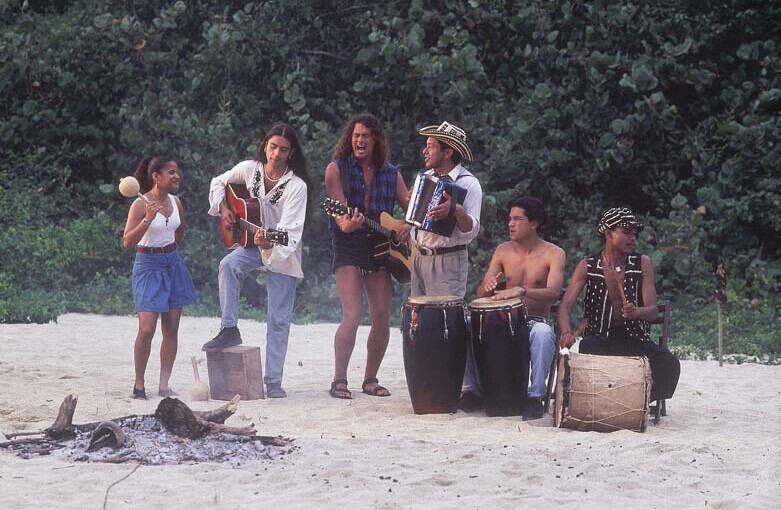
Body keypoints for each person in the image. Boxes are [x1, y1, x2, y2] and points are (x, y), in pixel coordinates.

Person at [201, 123, 309, 399]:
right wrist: (224, 208)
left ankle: (273, 381)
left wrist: (270, 241)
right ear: (265, 146)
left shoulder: (296, 187)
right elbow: (218, 182)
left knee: (278, 319)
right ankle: (229, 328)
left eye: (283, 150)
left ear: (291, 153)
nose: (276, 154)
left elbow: (290, 231)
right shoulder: (250, 169)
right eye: (272, 147)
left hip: (282, 252)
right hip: (250, 244)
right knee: (228, 265)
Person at [325, 113, 409, 399]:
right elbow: (340, 218)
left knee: (382, 315)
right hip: (349, 242)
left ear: (376, 140)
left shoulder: (391, 173)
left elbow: (410, 205)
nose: (360, 140)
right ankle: (339, 379)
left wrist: (407, 225)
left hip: (382, 246)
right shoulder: (336, 170)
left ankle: (370, 378)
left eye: (366, 136)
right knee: (352, 313)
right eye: (356, 135)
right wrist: (348, 223)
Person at [557, 207, 680, 403]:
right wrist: (565, 332)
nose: (633, 238)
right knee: (586, 350)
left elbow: (652, 310)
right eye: (626, 232)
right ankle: (620, 399)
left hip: (634, 339)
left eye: (635, 233)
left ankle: (635, 401)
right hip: (600, 339)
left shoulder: (642, 263)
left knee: (669, 363)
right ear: (608, 233)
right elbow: (565, 305)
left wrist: (636, 311)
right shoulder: (587, 266)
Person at [465, 196, 566, 419]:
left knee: (543, 333)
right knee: (466, 324)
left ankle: (535, 396)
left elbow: (553, 294)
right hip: (502, 321)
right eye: (509, 219)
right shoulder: (503, 251)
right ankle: (472, 390)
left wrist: (522, 291)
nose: (510, 224)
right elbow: (481, 293)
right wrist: (487, 286)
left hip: (534, 320)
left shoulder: (554, 253)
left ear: (534, 223)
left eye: (517, 219)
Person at [122, 156, 197, 399]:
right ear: (156, 176)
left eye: (177, 172)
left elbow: (180, 231)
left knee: (171, 328)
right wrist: (147, 219)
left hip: (172, 263)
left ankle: (164, 384)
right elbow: (127, 242)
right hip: (147, 264)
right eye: (171, 172)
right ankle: (139, 384)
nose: (177, 176)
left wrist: (169, 251)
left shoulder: (176, 202)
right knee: (146, 328)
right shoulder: (139, 204)